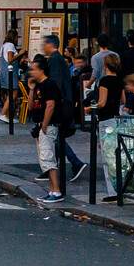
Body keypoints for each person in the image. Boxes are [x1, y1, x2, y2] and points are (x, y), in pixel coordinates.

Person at [39, 33, 85, 182]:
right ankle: (54, 168)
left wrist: (51, 102)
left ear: (50, 45)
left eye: (44, 44)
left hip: (61, 104)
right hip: (62, 102)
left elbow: (56, 84)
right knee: (55, 136)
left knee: (55, 136)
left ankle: (74, 163)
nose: (42, 47)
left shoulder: (55, 60)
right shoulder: (57, 59)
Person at [30, 56, 66, 203]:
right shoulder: (39, 86)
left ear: (41, 70)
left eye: (34, 69)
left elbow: (50, 105)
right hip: (41, 125)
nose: (31, 72)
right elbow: (31, 106)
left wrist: (44, 124)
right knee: (44, 159)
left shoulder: (49, 85)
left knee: (48, 158)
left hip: (48, 125)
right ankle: (52, 189)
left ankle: (56, 191)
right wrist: (31, 89)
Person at [92, 53, 126, 201]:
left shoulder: (104, 81)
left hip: (105, 119)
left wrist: (90, 107)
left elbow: (102, 102)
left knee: (107, 157)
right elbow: (123, 99)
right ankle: (120, 188)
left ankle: (112, 191)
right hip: (115, 118)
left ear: (105, 66)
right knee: (115, 155)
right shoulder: (119, 81)